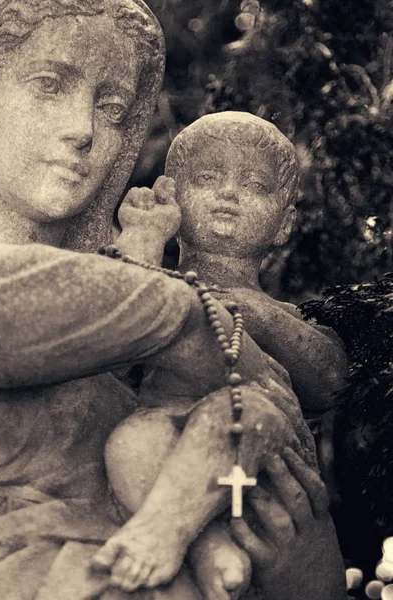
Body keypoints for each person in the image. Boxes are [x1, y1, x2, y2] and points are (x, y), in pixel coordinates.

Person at [0, 2, 345, 599]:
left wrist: (303, 568)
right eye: (50, 85)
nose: (83, 128)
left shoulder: (138, 378)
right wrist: (187, 317)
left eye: (112, 109)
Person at [93, 113, 348, 598]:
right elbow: (110, 324)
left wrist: (263, 315)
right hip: (168, 445)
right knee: (131, 443)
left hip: (256, 444)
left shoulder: (283, 315)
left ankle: (183, 538)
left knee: (237, 415)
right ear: (172, 193)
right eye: (208, 178)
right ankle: (202, 546)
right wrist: (145, 239)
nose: (228, 193)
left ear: (284, 222)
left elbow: (333, 379)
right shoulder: (157, 285)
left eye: (254, 184)